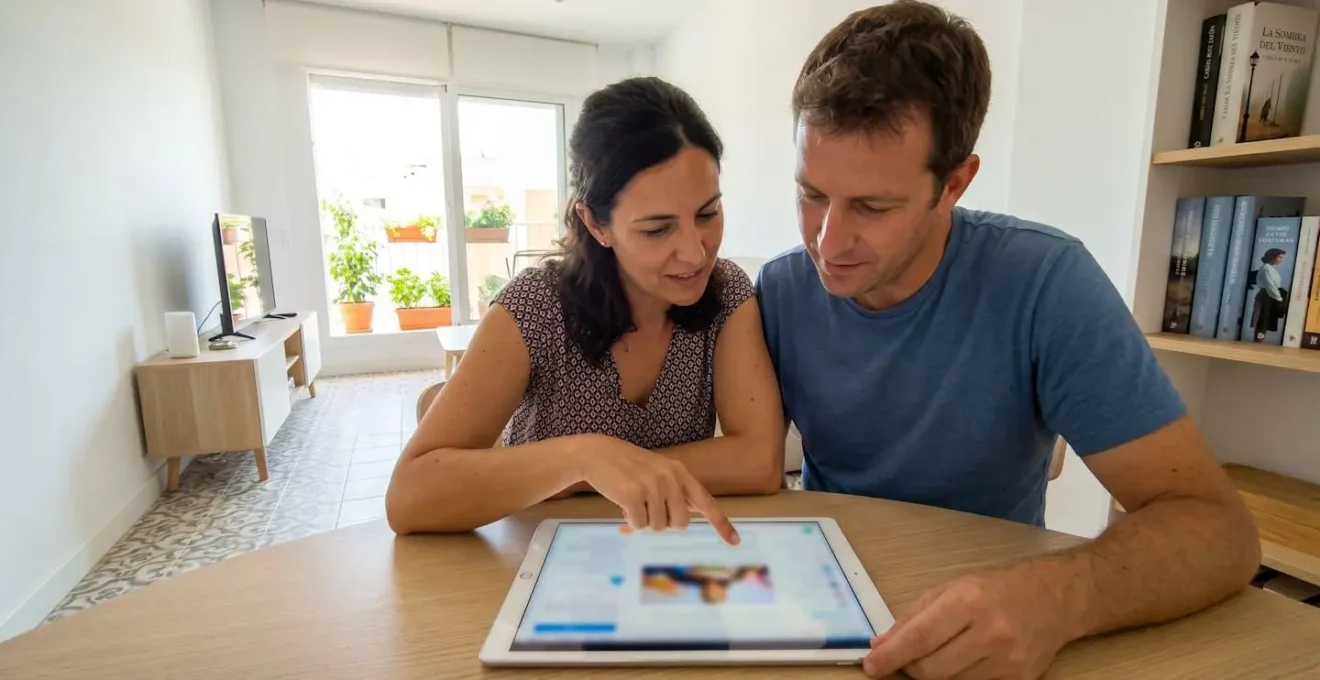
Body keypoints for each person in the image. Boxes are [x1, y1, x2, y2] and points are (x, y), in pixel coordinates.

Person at [754, 2, 1261, 678]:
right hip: (827, 605)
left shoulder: (1046, 282)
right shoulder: (779, 289)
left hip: (992, 618)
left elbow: (1221, 532)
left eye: (873, 207)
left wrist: (1058, 596)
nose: (828, 241)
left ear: (955, 184)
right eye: (811, 193)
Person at [385, 77, 785, 545]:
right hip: (535, 557)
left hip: (661, 554)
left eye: (707, 214)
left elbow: (760, 462)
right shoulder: (535, 306)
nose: (696, 254)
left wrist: (608, 472)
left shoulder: (726, 292)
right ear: (596, 224)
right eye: (657, 230)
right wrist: (584, 457)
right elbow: (409, 497)